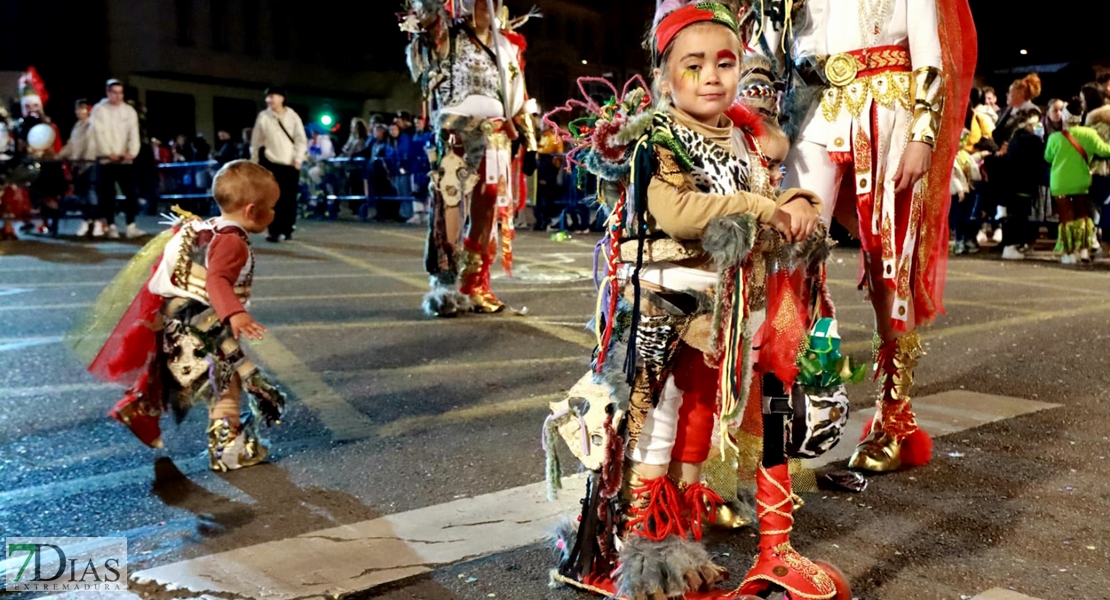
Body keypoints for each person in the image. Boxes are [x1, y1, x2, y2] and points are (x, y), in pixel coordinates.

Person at [544, 3, 859, 599]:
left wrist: (802, 205)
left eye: (725, 62)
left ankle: (679, 551)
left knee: (696, 430)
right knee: (652, 430)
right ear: (665, 77)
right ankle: (638, 557)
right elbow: (678, 212)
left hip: (720, 314)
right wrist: (765, 210)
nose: (712, 76)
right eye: (694, 65)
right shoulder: (660, 138)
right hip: (661, 310)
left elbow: (765, 188)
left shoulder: (741, 138)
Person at [762, 0, 976, 473]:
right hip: (817, 114)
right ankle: (778, 411)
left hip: (891, 118)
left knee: (889, 265)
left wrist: (923, 135)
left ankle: (894, 417)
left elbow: (929, 58)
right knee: (790, 254)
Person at [78, 160, 286, 471]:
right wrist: (236, 313)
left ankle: (142, 408)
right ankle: (228, 450)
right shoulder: (232, 241)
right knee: (226, 386)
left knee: (204, 383)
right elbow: (217, 281)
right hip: (201, 327)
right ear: (252, 210)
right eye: (272, 207)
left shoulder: (205, 227)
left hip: (179, 322)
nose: (274, 214)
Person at [403, 0, 539, 317]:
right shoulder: (447, 35)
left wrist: (530, 141)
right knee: (449, 208)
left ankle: (474, 284)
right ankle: (445, 285)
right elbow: (424, 23)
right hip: (456, 134)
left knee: (488, 211)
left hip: (495, 137)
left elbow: (520, 96)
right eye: (477, 1)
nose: (484, 6)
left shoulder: (508, 46)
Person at [1045, 98, 1110, 264]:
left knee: (1066, 218)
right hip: (1082, 180)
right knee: (1082, 215)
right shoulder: (1090, 134)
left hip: (1060, 182)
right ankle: (1084, 249)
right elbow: (1104, 151)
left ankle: (1069, 252)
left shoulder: (1055, 138)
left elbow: (1048, 157)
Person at [250, 86, 307, 243]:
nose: (270, 100)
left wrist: (298, 159)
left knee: (288, 198)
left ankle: (287, 228)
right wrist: (254, 160)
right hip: (270, 162)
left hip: (289, 163)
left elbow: (301, 139)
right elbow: (256, 141)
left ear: (282, 98)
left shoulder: (292, 116)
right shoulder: (263, 116)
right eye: (268, 97)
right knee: (272, 198)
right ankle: (274, 230)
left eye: (273, 96)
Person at [90, 79, 145, 239]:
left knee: (131, 193)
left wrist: (132, 152)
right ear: (108, 93)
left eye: (120, 93)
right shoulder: (99, 110)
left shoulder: (129, 111)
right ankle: (111, 225)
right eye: (114, 92)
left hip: (125, 160)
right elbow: (98, 133)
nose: (118, 96)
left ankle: (131, 225)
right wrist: (108, 152)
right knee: (108, 195)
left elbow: (133, 133)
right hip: (107, 161)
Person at [997, 109, 1045, 260]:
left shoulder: (1015, 138)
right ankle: (1011, 245)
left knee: (1015, 215)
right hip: (1024, 183)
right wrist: (1040, 137)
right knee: (1019, 216)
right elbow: (1042, 155)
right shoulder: (1031, 140)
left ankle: (1012, 245)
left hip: (1012, 183)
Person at [60, 99, 98, 236]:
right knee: (81, 193)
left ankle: (96, 220)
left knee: (91, 191)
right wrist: (59, 156)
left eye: (80, 109)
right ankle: (86, 220)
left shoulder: (92, 125)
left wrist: (86, 157)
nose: (78, 112)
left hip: (90, 162)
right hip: (79, 164)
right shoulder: (77, 126)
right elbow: (72, 144)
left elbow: (90, 144)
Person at [408, 116, 434, 225]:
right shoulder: (414, 136)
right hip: (417, 166)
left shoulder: (430, 135)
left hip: (427, 165)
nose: (417, 125)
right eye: (416, 123)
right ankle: (418, 213)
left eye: (419, 123)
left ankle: (428, 212)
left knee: (428, 189)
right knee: (416, 190)